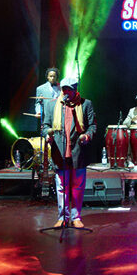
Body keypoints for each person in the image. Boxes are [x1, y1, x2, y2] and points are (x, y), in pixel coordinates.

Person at [42, 76, 96, 228]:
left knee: (77, 186)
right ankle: (63, 217)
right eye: (63, 89)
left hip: (79, 151)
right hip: (59, 151)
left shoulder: (85, 104)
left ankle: (76, 216)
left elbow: (92, 126)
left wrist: (87, 135)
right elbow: (45, 126)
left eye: (69, 89)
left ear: (75, 89)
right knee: (61, 187)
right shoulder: (52, 105)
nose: (65, 92)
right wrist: (47, 134)